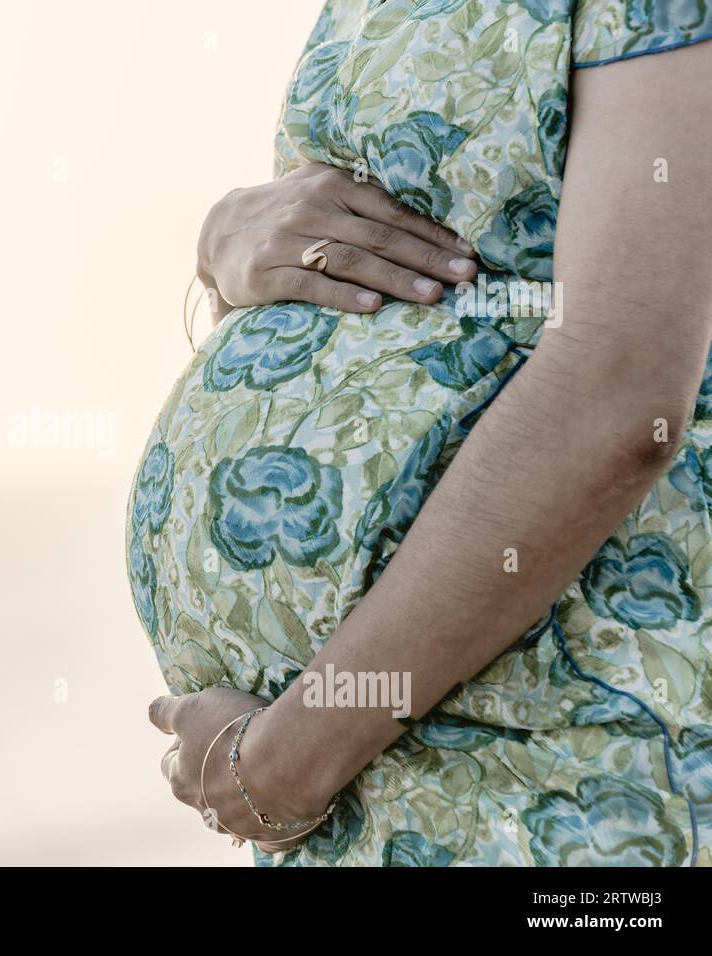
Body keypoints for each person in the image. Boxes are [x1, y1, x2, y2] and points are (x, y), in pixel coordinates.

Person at [127, 0, 712, 866]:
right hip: (385, 780)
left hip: (559, 759)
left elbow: (619, 392)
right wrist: (226, 250)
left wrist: (288, 761)